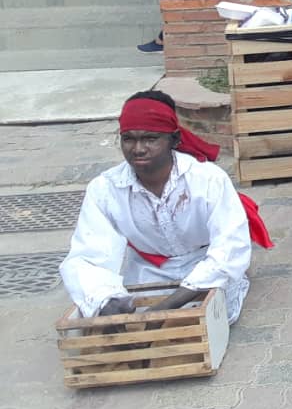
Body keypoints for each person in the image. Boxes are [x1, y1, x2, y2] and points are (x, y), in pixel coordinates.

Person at [60, 90, 264, 325]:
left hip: (206, 265)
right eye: (128, 139)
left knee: (207, 322)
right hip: (149, 273)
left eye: (150, 138)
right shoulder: (104, 189)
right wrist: (106, 301)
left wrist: (164, 309)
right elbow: (88, 257)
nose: (138, 148)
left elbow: (230, 246)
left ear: (174, 140)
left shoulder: (208, 179)